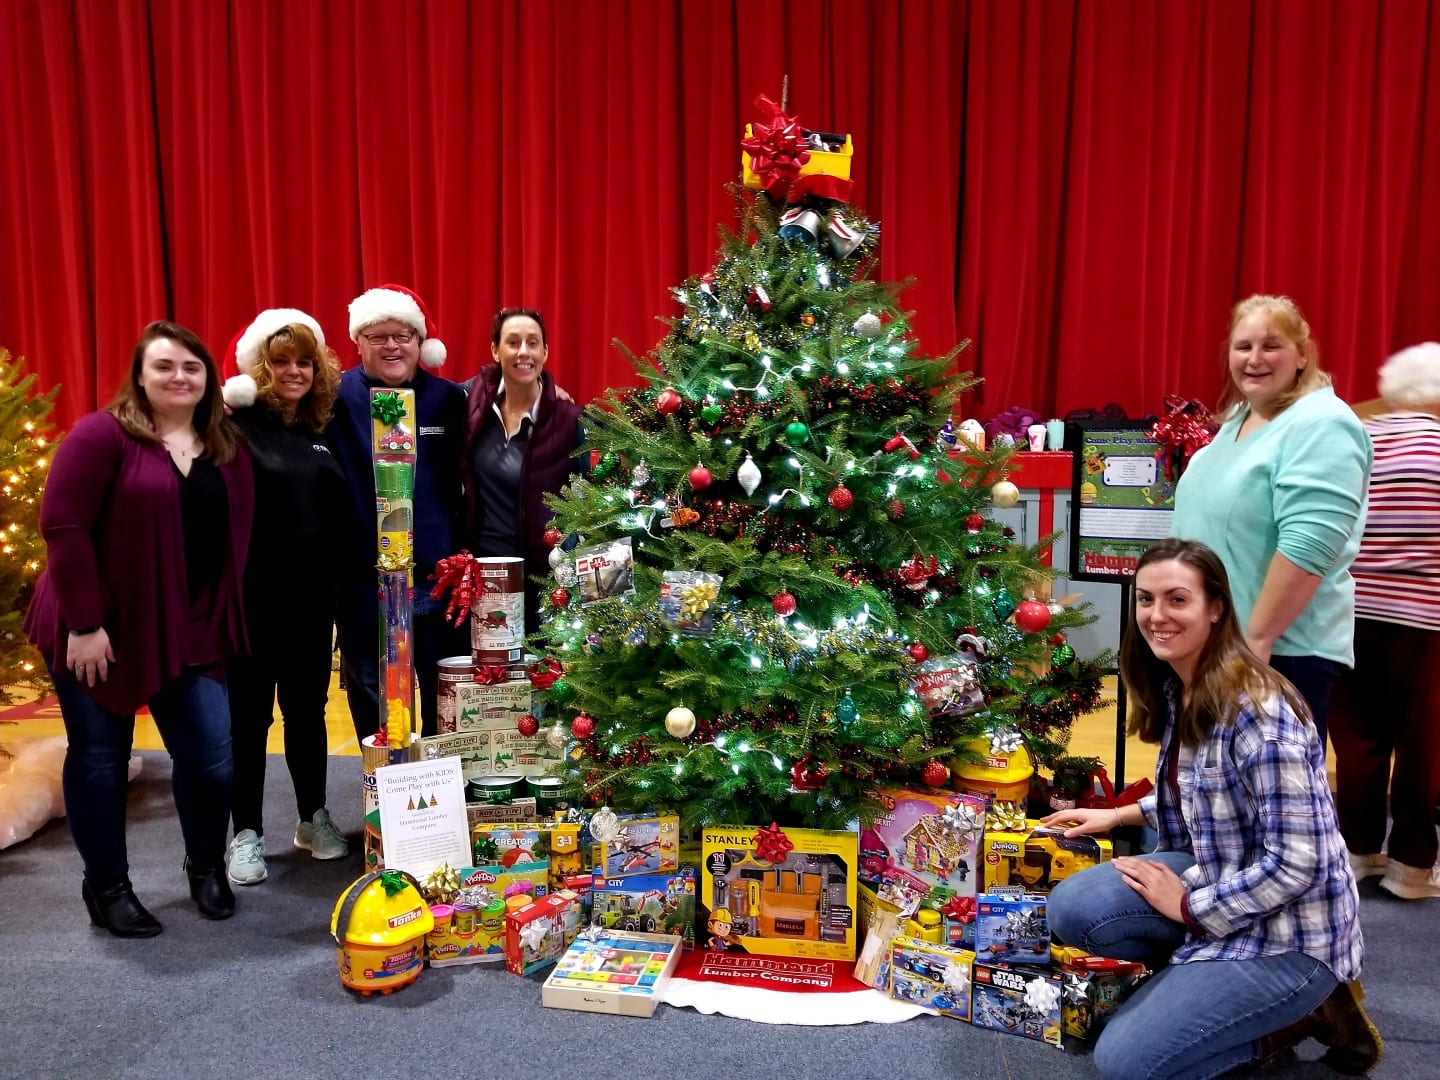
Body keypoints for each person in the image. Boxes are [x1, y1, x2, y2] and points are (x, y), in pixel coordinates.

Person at [1042, 538, 1380, 1078]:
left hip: (1292, 936)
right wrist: (1118, 816)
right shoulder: (1187, 686)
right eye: (1146, 600)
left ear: (1216, 607)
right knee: (1074, 908)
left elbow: (1301, 861)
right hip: (1224, 879)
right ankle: (1198, 997)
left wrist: (1189, 909)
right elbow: (1205, 795)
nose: (1157, 616)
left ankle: (1298, 1015)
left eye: (1178, 599)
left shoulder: (1259, 715)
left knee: (1126, 1063)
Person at [24, 321, 254, 936]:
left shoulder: (224, 443)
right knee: (101, 759)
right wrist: (84, 624)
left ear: (208, 379)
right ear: (141, 376)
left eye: (192, 368)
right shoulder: (104, 435)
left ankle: (206, 868)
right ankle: (107, 887)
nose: (180, 377)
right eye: (165, 367)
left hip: (192, 626)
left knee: (211, 761)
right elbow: (64, 528)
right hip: (101, 629)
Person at [1170, 294, 1371, 749]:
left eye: (1271, 346)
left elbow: (1310, 543)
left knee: (1271, 807)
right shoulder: (1242, 417)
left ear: (1302, 354)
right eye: (1243, 347)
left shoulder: (1322, 423)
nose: (1254, 359)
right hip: (1215, 648)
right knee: (1210, 800)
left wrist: (1254, 645)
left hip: (1276, 655)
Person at [219, 309, 350, 886]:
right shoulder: (233, 425)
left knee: (307, 715)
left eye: (304, 361)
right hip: (250, 604)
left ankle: (311, 816)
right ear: (259, 369)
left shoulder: (323, 428)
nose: (294, 371)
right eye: (281, 362)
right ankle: (245, 832)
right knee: (247, 721)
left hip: (311, 605)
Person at [329, 284, 468, 742]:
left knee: (438, 694)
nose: (391, 345)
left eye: (402, 335)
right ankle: (381, 794)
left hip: (433, 580)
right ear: (358, 343)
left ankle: (432, 799)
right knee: (373, 699)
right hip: (361, 583)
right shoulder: (332, 398)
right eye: (378, 336)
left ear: (420, 342)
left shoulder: (448, 400)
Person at [1329, 341, 1440, 900]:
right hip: (1426, 622)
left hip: (1353, 613)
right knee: (1423, 745)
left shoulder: (1361, 439)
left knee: (1358, 740)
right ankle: (1412, 867)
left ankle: (1357, 849)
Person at [462, 308, 585, 633]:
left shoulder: (571, 420)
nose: (523, 352)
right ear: (495, 350)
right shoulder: (470, 404)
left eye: (533, 343)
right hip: (486, 575)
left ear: (545, 351)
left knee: (544, 675)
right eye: (512, 342)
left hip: (549, 581)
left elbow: (586, 503)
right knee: (494, 676)